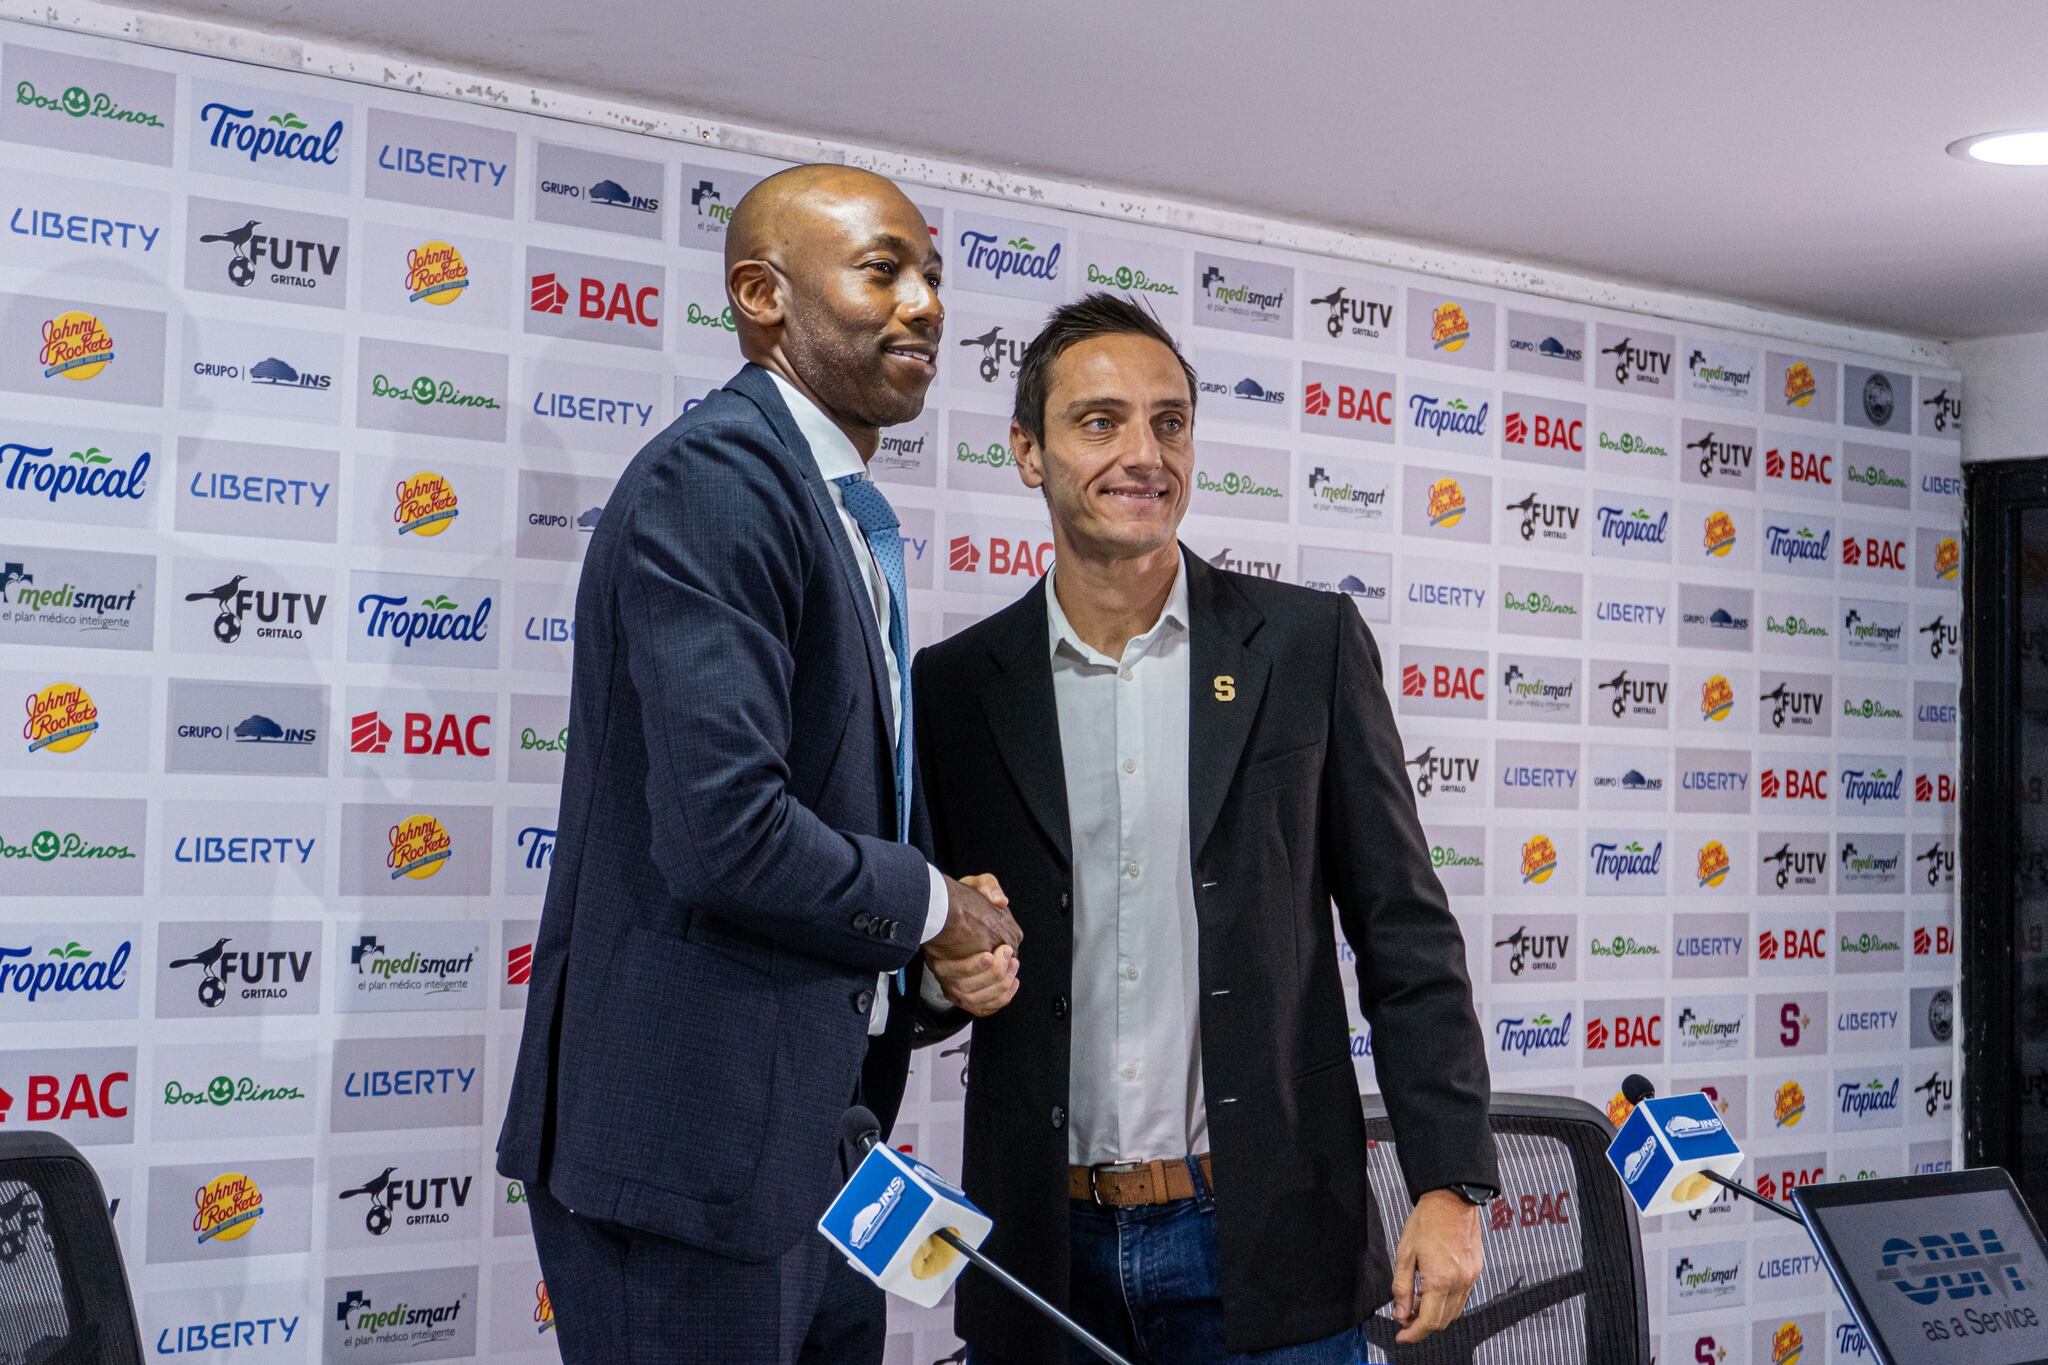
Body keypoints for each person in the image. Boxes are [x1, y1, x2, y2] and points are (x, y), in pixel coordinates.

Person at [498, 164, 1021, 1365]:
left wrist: (932, 968)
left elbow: (831, 808)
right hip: (690, 1164)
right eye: (883, 269)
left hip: (809, 1158)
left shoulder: (829, 504)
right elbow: (725, 831)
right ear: (761, 295)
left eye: (932, 275)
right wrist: (936, 907)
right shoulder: (718, 482)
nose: (926, 303)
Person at [912, 293, 1498, 1363]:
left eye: (1168, 422)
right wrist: (936, 977)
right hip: (1040, 1259)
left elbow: (1406, 934)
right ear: (1026, 453)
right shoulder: (952, 690)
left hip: (1268, 1247)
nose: (1142, 452)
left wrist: (1448, 1182)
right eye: (1099, 422)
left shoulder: (1304, 647)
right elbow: (928, 947)